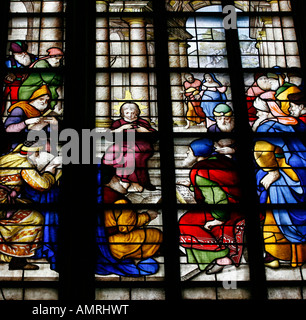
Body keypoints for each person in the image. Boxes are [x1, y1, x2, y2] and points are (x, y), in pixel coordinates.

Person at [252, 95, 306, 268]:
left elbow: (264, 154)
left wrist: (275, 171)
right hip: (288, 177)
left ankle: (281, 255)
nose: (257, 115)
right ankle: (282, 255)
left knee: (277, 218)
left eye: (260, 112)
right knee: (275, 218)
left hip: (287, 178)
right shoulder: (286, 126)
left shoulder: (271, 127)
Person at [178, 138, 244, 274]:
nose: (186, 153)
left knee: (186, 223)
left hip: (226, 210)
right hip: (239, 203)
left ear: (198, 155)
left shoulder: (201, 170)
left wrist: (218, 219)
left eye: (189, 152)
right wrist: (192, 184)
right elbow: (219, 183)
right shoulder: (221, 161)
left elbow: (217, 199)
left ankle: (221, 255)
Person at [0, 141, 61, 270]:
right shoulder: (24, 164)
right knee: (36, 218)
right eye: (40, 153)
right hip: (1, 203)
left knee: (29, 205)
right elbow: (42, 185)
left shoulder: (8, 157)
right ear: (34, 153)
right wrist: (49, 172)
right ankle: (18, 261)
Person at [96, 164, 162, 277]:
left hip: (99, 245)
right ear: (110, 180)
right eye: (119, 178)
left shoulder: (98, 195)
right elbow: (126, 227)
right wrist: (147, 216)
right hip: (115, 245)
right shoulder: (118, 201)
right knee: (155, 235)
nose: (125, 184)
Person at [103, 102, 156, 191]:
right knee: (113, 152)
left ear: (137, 113)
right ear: (123, 113)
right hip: (122, 144)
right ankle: (125, 180)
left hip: (141, 145)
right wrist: (122, 128)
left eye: (132, 113)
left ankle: (129, 181)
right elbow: (109, 135)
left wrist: (139, 128)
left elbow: (153, 135)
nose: (130, 115)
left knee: (131, 155)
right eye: (127, 113)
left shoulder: (142, 122)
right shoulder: (118, 123)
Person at [2, 41, 38, 115]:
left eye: (24, 52)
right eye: (19, 53)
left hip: (32, 87)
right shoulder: (8, 62)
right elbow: (4, 77)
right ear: (13, 53)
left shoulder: (34, 59)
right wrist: (9, 78)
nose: (23, 54)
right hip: (15, 88)